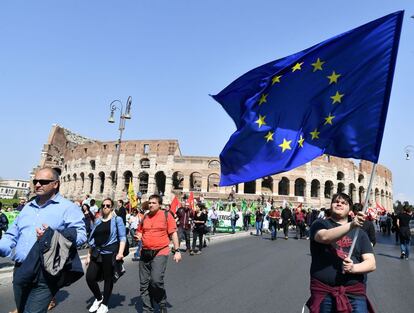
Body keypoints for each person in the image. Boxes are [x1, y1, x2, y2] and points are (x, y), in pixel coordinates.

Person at [0, 167, 87, 313]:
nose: (38, 184)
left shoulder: (68, 208)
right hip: (21, 268)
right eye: (36, 181)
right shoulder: (27, 207)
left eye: (43, 181)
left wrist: (53, 236)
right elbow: (11, 235)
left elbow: (81, 235)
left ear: (56, 184)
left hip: (45, 271)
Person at [306, 193, 376, 313]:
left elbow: (371, 263)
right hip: (325, 292)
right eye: (336, 202)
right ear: (331, 205)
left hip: (354, 294)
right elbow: (324, 237)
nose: (339, 204)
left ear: (350, 210)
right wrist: (352, 225)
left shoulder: (361, 233)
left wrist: (354, 267)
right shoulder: (319, 224)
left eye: (344, 203)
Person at [135, 194, 181, 313]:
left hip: (160, 251)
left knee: (156, 281)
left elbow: (173, 233)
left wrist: (177, 250)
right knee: (144, 284)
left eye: (154, 203)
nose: (150, 205)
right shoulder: (145, 217)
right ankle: (147, 309)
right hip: (145, 253)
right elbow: (140, 231)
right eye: (149, 203)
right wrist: (138, 236)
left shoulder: (166, 215)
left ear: (159, 204)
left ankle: (161, 301)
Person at [85, 198, 126, 313]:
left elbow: (122, 237)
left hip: (109, 253)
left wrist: (120, 252)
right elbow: (91, 239)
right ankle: (99, 298)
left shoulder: (117, 220)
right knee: (90, 277)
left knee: (108, 279)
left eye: (108, 205)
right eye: (103, 205)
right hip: (97, 252)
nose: (105, 207)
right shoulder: (98, 220)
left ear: (112, 207)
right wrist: (88, 255)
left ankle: (105, 304)